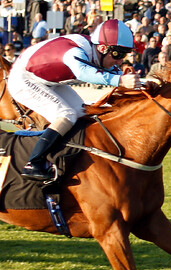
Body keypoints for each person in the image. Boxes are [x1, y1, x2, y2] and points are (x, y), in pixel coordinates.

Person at [9, 19, 141, 181]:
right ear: (102, 48)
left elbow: (113, 72)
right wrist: (120, 81)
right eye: (117, 54)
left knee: (82, 113)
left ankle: (71, 156)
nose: (120, 61)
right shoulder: (75, 52)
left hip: (48, 79)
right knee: (66, 114)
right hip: (24, 78)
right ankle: (33, 163)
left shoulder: (95, 51)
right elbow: (83, 73)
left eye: (124, 55)